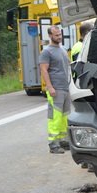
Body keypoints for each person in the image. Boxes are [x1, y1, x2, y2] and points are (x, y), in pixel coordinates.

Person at [38, 25, 73, 154]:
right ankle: (53, 144)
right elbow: (43, 70)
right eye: (56, 35)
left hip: (65, 88)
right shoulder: (46, 52)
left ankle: (63, 141)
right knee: (55, 117)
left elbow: (68, 66)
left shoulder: (63, 49)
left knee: (64, 116)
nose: (59, 37)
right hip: (55, 89)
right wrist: (50, 87)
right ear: (50, 36)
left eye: (60, 35)